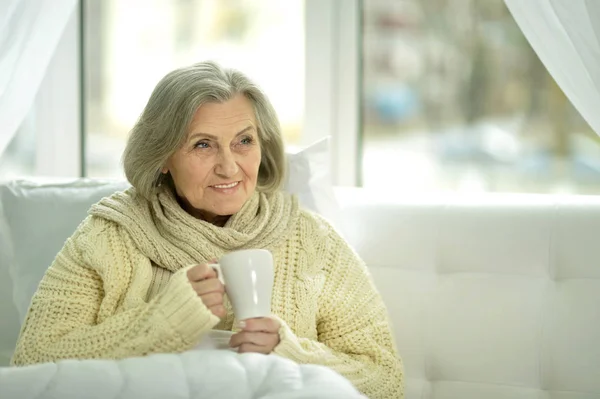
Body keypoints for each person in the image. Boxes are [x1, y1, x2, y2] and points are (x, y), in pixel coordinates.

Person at [11, 61, 403, 398]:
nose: (230, 167)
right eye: (203, 145)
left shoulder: (312, 240)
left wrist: (290, 350)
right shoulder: (109, 235)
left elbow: (385, 380)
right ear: (162, 156)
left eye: (244, 141)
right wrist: (164, 321)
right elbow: (32, 362)